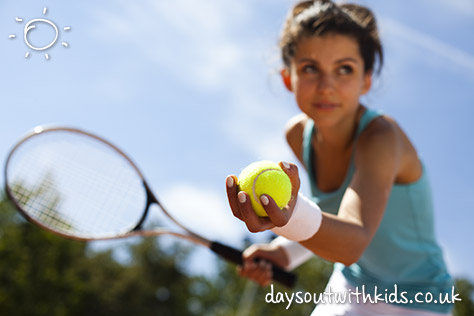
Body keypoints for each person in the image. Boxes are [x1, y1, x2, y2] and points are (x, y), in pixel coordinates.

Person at [225, 1, 454, 315]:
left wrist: (289, 221)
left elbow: (352, 240)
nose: (326, 86)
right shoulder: (297, 135)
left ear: (366, 80)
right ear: (288, 78)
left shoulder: (382, 137)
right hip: (351, 286)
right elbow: (331, 214)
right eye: (310, 68)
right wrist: (284, 254)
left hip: (420, 299)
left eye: (344, 69)